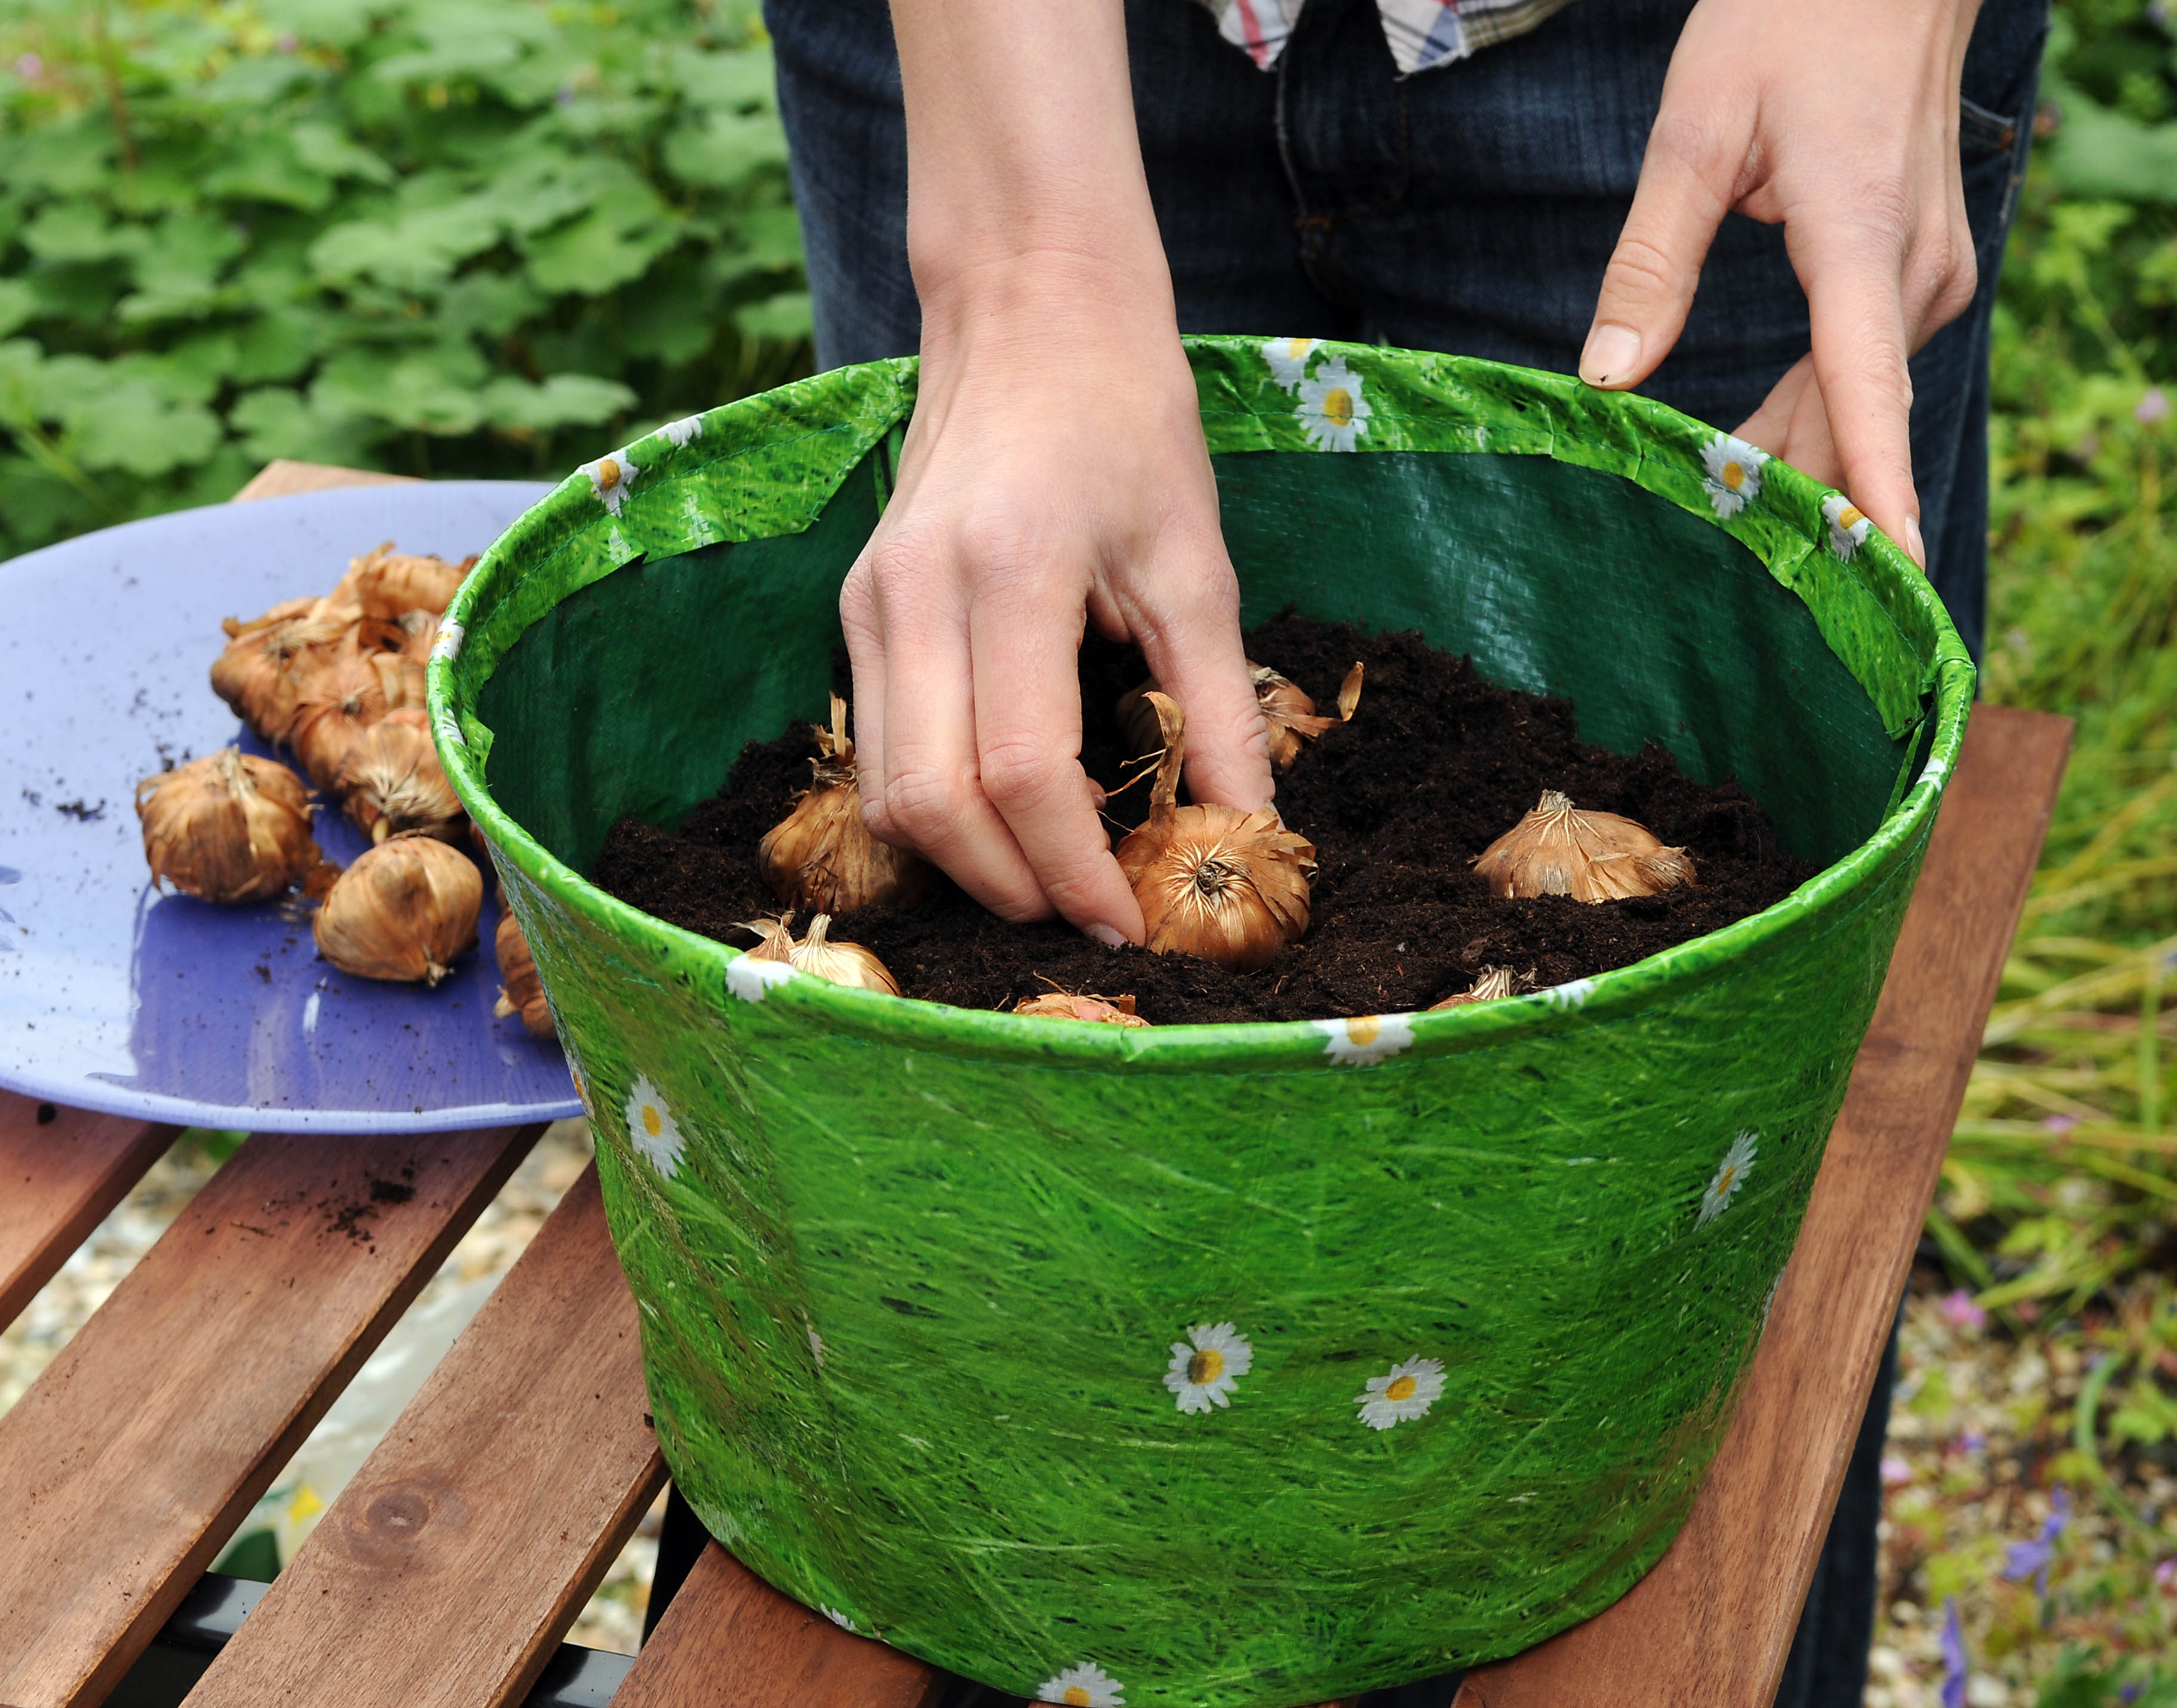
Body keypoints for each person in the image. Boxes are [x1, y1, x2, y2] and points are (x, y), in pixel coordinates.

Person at [756, 0, 2047, 1700]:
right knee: (1005, 1349)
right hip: (1026, 56)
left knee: (1673, 1338)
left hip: (1708, 58)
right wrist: (1025, 262)